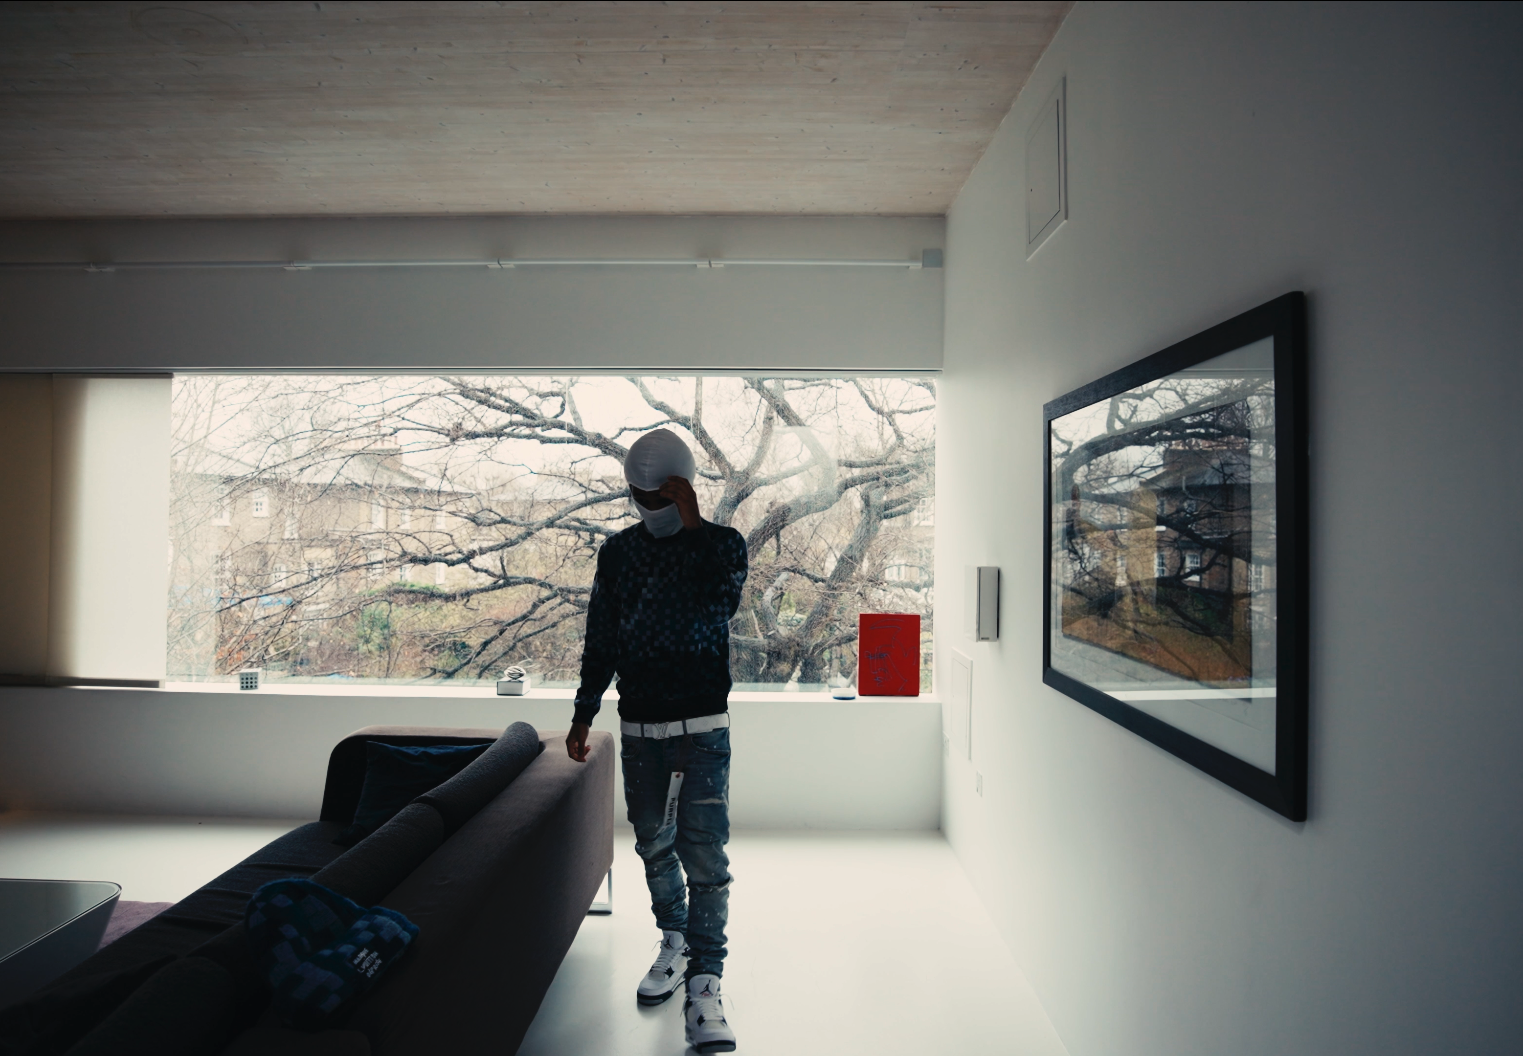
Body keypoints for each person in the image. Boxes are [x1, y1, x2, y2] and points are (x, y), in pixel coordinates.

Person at [565, 428, 748, 1055]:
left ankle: (705, 980)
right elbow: (602, 638)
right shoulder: (616, 554)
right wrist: (584, 712)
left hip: (702, 729)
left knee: (707, 858)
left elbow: (721, 603)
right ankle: (674, 939)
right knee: (652, 844)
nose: (652, 506)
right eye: (642, 495)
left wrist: (695, 529)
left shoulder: (722, 545)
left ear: (687, 488)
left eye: (664, 494)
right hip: (640, 728)